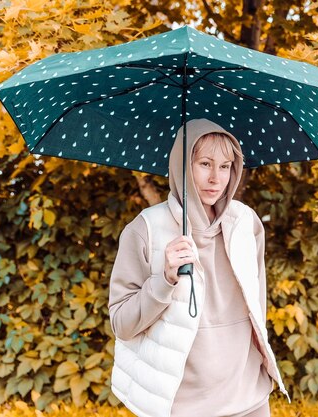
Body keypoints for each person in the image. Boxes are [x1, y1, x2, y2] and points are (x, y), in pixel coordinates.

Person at [108, 119, 288, 417]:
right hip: (181, 405)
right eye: (205, 163)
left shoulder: (247, 223)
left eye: (226, 166)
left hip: (249, 398)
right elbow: (122, 325)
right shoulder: (145, 229)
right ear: (181, 165)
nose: (216, 178)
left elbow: (259, 309)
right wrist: (164, 280)